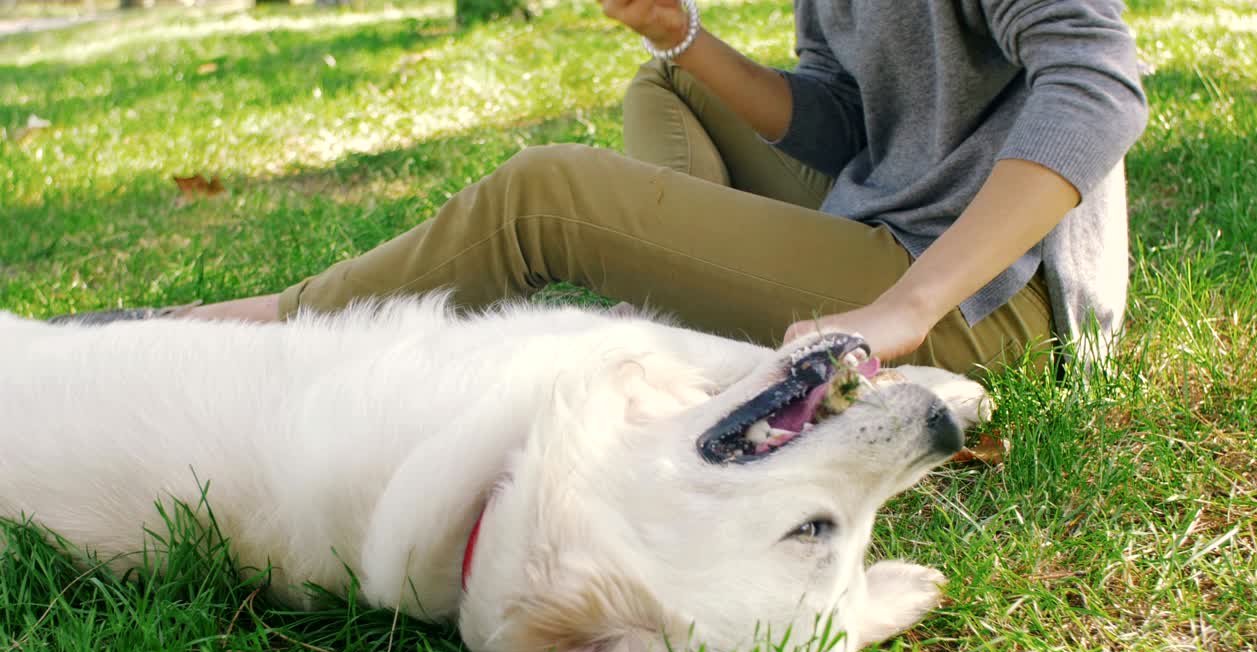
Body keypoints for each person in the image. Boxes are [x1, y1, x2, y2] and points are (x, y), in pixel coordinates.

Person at [56, 0, 1148, 376]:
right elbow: (843, 118)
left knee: (546, 196)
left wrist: (906, 308)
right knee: (662, 84)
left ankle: (251, 328)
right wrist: (685, 34)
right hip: (894, 212)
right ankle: (673, 292)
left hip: (986, 299)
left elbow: (1098, 85)